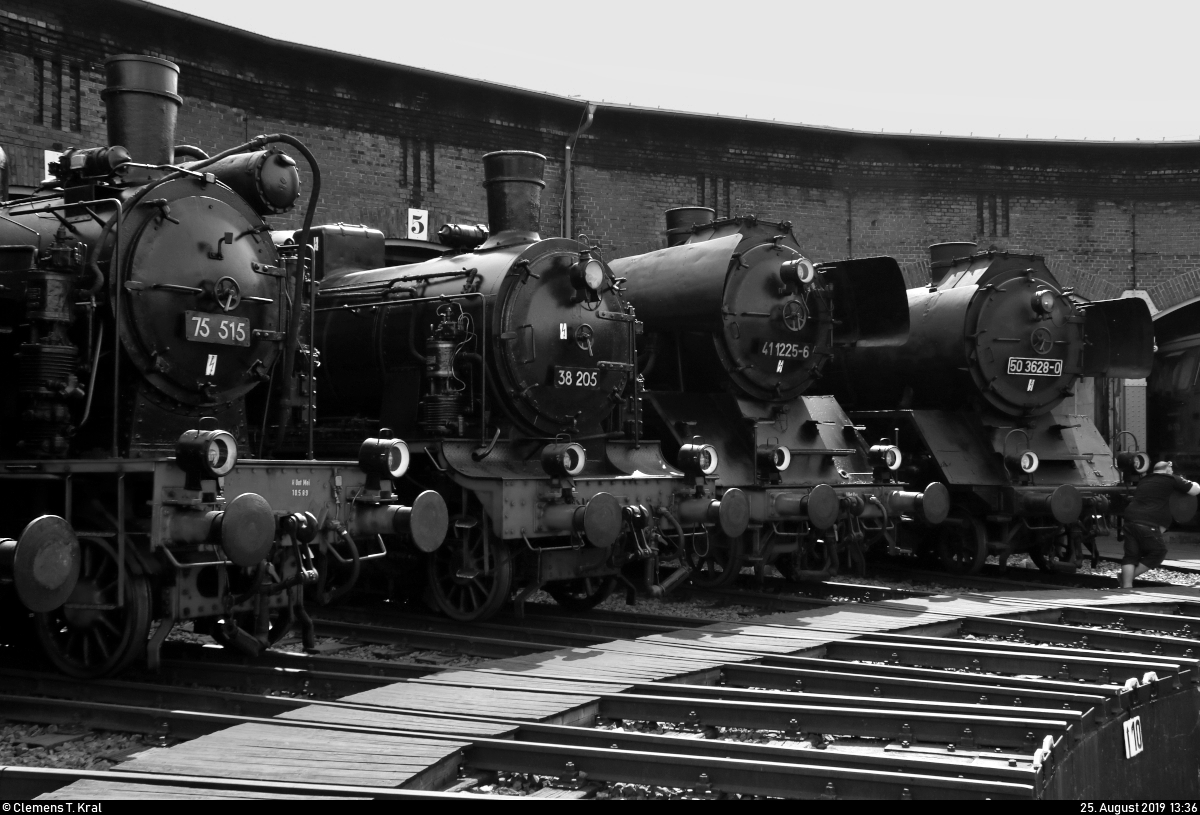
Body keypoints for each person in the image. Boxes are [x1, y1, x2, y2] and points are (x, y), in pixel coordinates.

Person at [1120, 460, 1200, 588]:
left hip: (1130, 519)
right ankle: (1128, 578)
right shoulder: (1171, 479)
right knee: (1158, 552)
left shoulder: (1145, 479)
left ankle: (1127, 586)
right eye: (1171, 469)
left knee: (1131, 555)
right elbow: (1195, 490)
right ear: (1168, 469)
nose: (1172, 472)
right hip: (1148, 521)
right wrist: (1191, 482)